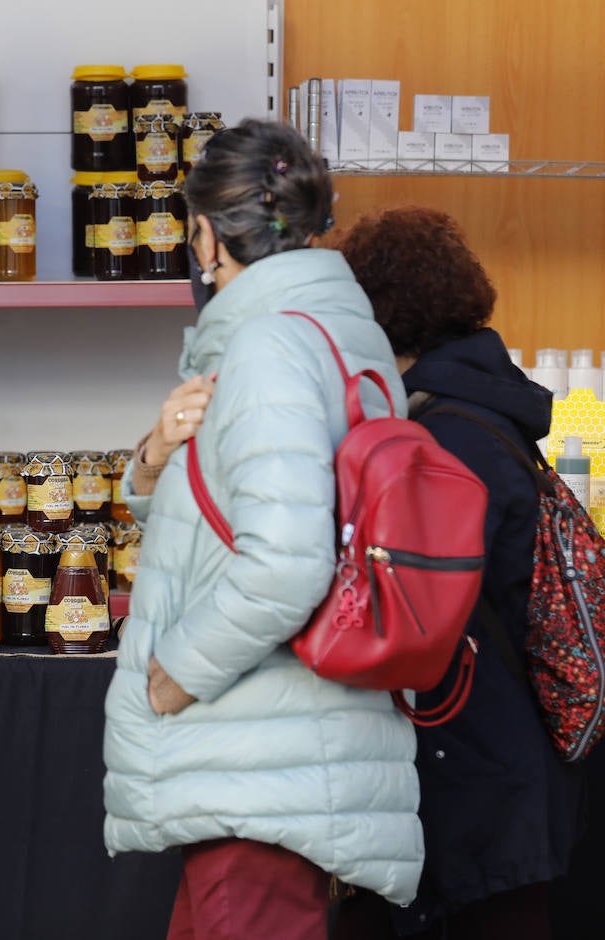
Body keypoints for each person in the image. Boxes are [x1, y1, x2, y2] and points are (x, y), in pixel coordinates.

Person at [101, 119, 424, 940]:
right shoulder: (344, 336)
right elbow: (242, 515)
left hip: (258, 765)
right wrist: (154, 459)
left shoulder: (270, 346)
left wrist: (176, 670)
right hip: (291, 756)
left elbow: (286, 562)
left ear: (206, 236)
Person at [331, 207, 585, 940]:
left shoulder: (439, 437)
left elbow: (412, 618)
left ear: (381, 317)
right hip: (513, 763)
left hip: (473, 774)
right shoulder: (486, 413)